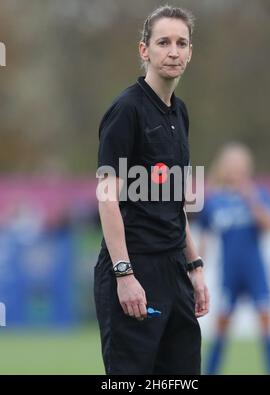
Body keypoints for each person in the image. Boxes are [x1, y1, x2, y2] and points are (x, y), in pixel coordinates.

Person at [94, 5, 209, 375]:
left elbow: (176, 200)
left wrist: (195, 267)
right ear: (144, 50)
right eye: (163, 42)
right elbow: (107, 198)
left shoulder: (180, 112)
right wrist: (124, 275)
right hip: (135, 267)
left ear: (190, 51)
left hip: (175, 270)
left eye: (181, 43)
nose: (173, 51)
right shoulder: (126, 110)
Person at [197, 142, 270, 375]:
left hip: (255, 272)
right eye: (231, 165)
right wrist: (196, 267)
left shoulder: (258, 194)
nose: (236, 170)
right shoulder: (215, 201)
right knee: (221, 328)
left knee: (266, 326)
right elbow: (203, 237)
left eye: (240, 165)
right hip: (230, 274)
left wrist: (251, 198)